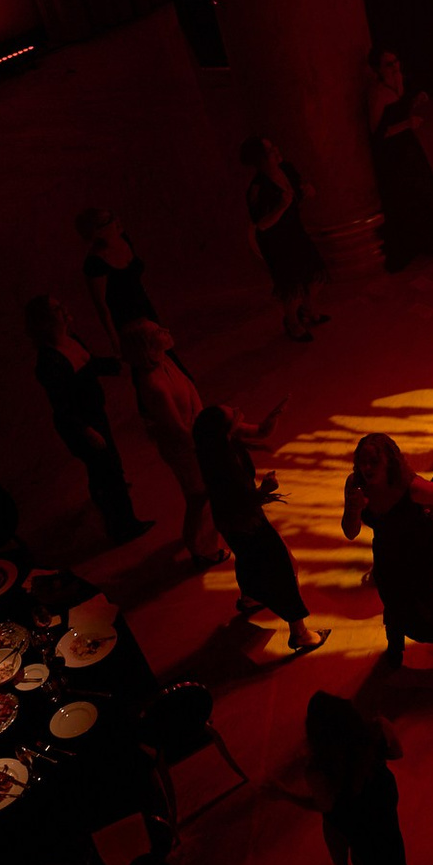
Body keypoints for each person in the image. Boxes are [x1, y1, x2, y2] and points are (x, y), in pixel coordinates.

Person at [193, 402, 329, 652]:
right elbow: (242, 503)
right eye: (233, 415)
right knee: (285, 568)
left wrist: (273, 417)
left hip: (232, 522)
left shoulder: (215, 449)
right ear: (225, 431)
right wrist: (265, 489)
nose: (238, 412)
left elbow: (260, 431)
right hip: (246, 522)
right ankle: (299, 633)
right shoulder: (225, 467)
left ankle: (250, 598)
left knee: (247, 559)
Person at [342, 433, 433, 680]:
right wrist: (354, 508)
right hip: (388, 553)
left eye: (374, 462)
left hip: (422, 553)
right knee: (393, 601)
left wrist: (432, 520)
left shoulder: (410, 486)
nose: (366, 468)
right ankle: (396, 646)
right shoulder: (355, 485)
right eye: (362, 461)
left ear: (389, 462)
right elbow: (350, 532)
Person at [24, 295, 152, 546]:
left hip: (94, 416)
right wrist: (86, 430)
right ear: (45, 320)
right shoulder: (49, 362)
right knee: (107, 472)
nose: (64, 309)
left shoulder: (70, 340)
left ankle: (115, 516)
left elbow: (89, 365)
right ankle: (123, 526)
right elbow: (63, 405)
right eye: (57, 308)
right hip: (82, 425)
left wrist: (117, 364)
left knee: (105, 470)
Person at [120, 320, 224, 568]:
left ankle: (204, 539)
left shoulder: (166, 361)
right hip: (184, 449)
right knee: (199, 497)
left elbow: (191, 393)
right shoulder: (153, 384)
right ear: (147, 345)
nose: (166, 331)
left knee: (204, 494)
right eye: (158, 332)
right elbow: (176, 428)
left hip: (194, 438)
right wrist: (206, 442)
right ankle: (200, 548)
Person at [304, 692, 409, 865]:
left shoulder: (319, 765)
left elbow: (325, 804)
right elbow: (397, 753)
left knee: (332, 820)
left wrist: (285, 794)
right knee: (389, 840)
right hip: (381, 795)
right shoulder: (375, 729)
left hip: (351, 811)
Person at [366, 46, 433, 271]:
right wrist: (407, 124)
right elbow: (377, 133)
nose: (395, 66)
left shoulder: (399, 82)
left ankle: (430, 240)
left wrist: (414, 102)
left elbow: (398, 111)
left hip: (408, 146)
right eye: (388, 64)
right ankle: (410, 245)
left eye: (395, 61)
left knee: (425, 190)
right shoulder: (377, 94)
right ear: (378, 69)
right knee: (406, 197)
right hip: (393, 153)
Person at [241, 135, 329, 342]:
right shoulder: (257, 188)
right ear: (261, 159)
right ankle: (292, 322)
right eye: (270, 151)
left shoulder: (286, 169)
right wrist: (281, 207)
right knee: (291, 286)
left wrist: (307, 191)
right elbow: (261, 224)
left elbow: (299, 194)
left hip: (295, 231)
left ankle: (307, 310)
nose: (277, 151)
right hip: (275, 240)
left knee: (315, 274)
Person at [76, 209, 163, 356]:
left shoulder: (123, 239)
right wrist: (115, 341)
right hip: (129, 324)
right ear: (97, 232)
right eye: (109, 221)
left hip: (146, 311)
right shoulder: (95, 264)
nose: (117, 221)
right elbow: (102, 307)